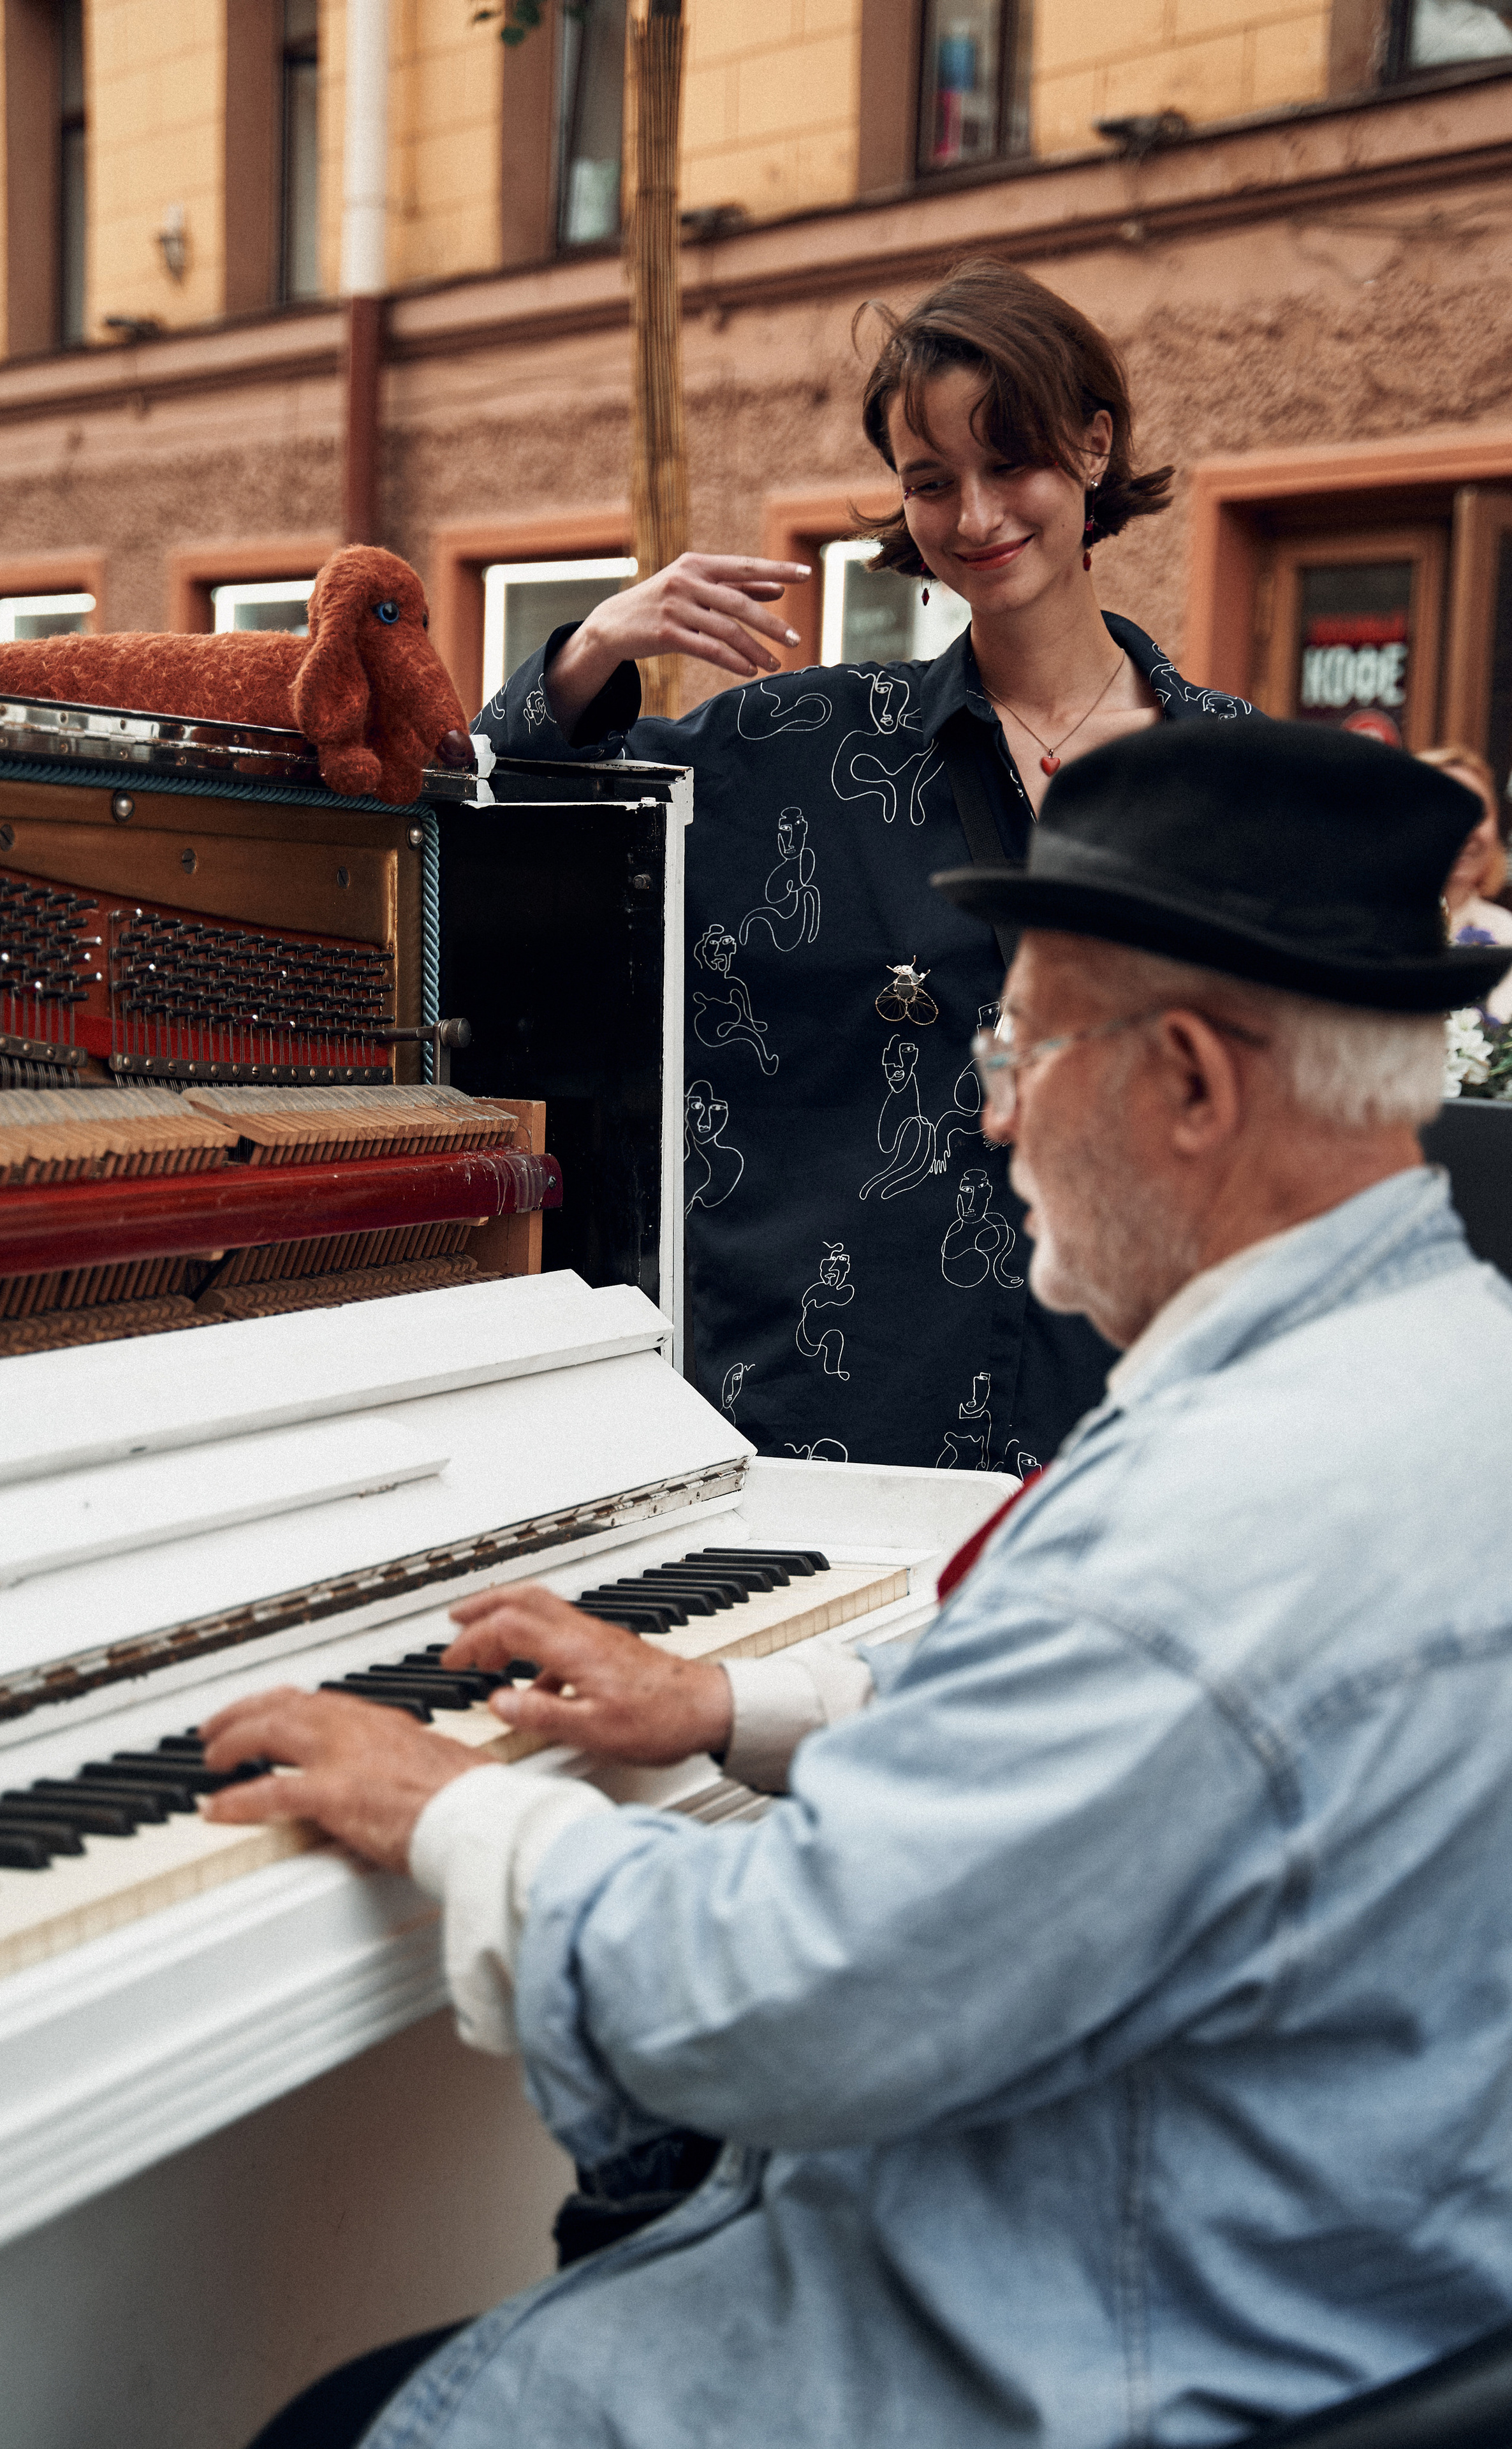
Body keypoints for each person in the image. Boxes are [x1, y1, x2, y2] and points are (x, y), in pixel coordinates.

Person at [207, 720, 1512, 2449]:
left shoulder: (1216, 1518)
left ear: (1192, 1084)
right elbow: (1146, 1754)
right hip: (1338, 2307)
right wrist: (732, 1701)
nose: (988, 1106)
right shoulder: (1454, 1360)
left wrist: (451, 1806)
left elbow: (779, 2001)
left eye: (1021, 1042)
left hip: (1083, 2360)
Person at [473, 259, 1256, 1478]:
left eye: (1012, 463)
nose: (976, 519)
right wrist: (596, 647)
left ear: (1095, 447)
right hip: (831, 1441)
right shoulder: (802, 746)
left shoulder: (1238, 776)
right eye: (932, 482)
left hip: (1134, 1430)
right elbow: (511, 809)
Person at [1419, 740, 1512, 1023]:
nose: (1464, 830)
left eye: (1478, 813)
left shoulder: (1508, 935)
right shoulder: (1364, 937)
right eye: (1444, 810)